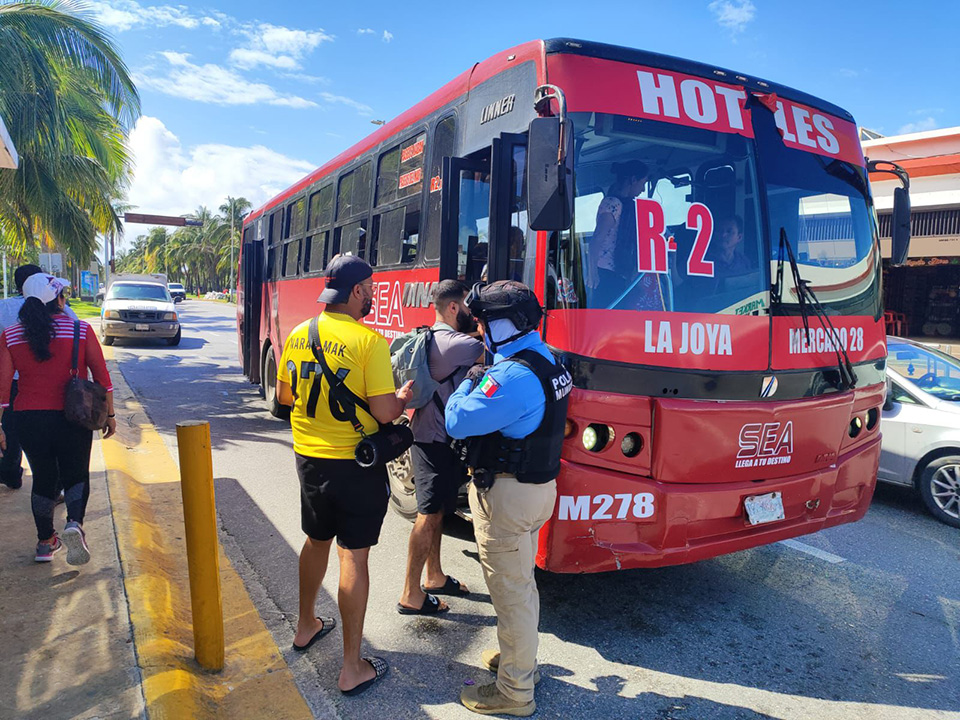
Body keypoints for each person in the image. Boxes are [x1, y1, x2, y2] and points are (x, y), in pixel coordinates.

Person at [276, 255, 413, 696]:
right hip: (357, 464)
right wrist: (403, 398)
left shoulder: (299, 334)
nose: (373, 294)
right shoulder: (368, 343)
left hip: (308, 460)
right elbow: (384, 411)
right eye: (370, 287)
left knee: (317, 541)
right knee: (353, 557)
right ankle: (351, 668)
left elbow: (284, 396)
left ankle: (304, 626)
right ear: (356, 291)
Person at [446, 281, 572, 717]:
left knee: (510, 592)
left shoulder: (511, 376)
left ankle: (515, 690)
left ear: (505, 323)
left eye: (484, 322)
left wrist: (469, 381)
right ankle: (522, 660)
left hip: (508, 496)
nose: (480, 329)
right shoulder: (550, 359)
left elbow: (458, 420)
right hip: (538, 491)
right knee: (520, 584)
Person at [0, 274, 116, 563]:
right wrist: (110, 415)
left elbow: (3, 388)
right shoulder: (80, 329)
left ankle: (44, 542)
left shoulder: (11, 335)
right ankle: (74, 524)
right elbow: (102, 378)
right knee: (75, 474)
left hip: (27, 418)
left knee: (43, 477)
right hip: (73, 416)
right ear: (59, 300)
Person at [398, 280, 483, 615]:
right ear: (453, 308)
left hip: (438, 438)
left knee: (437, 514)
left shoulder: (437, 337)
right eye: (468, 307)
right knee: (428, 514)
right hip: (432, 440)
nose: (473, 314)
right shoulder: (453, 343)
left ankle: (433, 576)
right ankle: (410, 593)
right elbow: (493, 344)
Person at [0, 264, 78, 490]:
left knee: (12, 429)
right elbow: (75, 333)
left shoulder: (4, 307)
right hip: (51, 382)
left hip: (14, 382)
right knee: (51, 435)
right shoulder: (59, 308)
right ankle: (53, 485)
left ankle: (10, 472)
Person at [588, 160, 663, 311]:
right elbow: (597, 238)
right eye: (642, 183)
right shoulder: (612, 204)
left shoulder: (631, 206)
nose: (642, 189)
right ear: (633, 179)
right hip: (605, 271)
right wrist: (592, 272)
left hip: (621, 271)